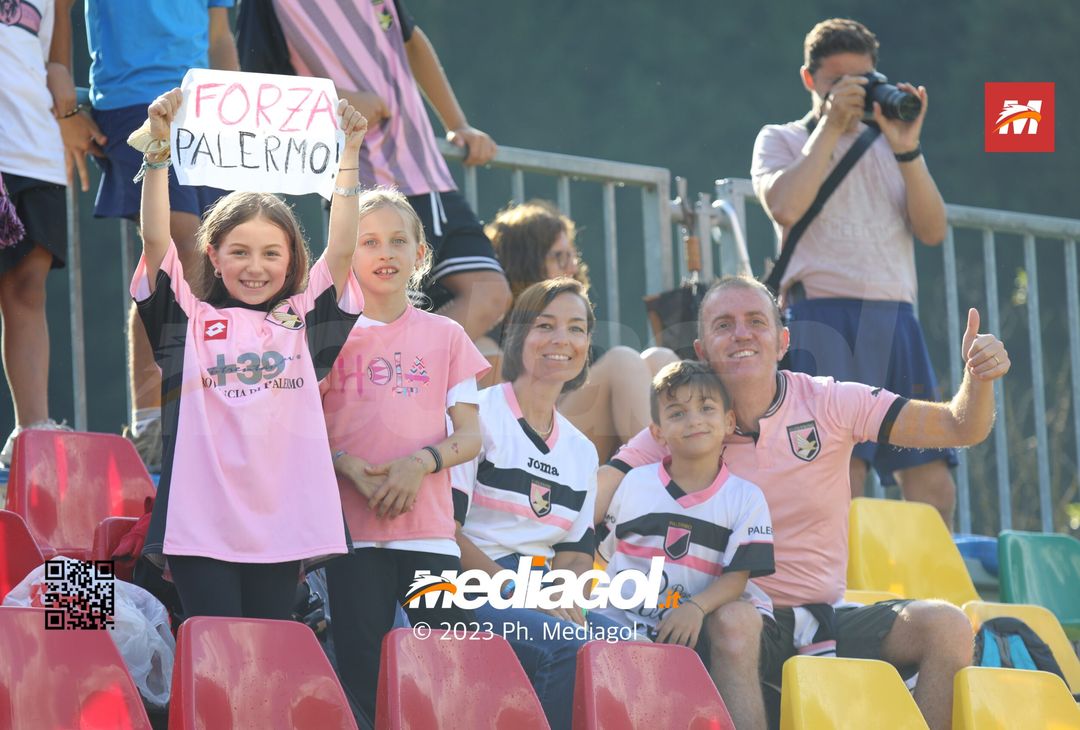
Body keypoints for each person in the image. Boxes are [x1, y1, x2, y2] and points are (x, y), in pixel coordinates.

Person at [595, 276, 1011, 730]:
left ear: (782, 340)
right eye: (724, 325)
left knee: (946, 626)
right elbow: (602, 490)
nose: (742, 334)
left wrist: (978, 379)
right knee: (734, 620)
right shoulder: (688, 425)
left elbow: (958, 427)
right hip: (729, 619)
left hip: (822, 617)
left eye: (757, 321)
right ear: (701, 349)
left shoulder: (831, 401)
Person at [131, 88, 368, 620]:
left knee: (266, 659)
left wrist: (348, 151)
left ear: (292, 261)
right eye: (239, 251)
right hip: (200, 525)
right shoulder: (187, 321)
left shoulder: (305, 321)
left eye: (270, 253)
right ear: (213, 255)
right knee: (216, 657)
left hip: (282, 525)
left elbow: (346, 248)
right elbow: (153, 241)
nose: (254, 266)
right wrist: (157, 153)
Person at [750, 18, 957, 525]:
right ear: (809, 80)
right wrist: (830, 126)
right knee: (843, 469)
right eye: (838, 82)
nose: (854, 94)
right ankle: (839, 594)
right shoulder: (783, 138)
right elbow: (785, 205)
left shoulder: (890, 144)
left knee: (931, 476)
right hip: (822, 314)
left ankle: (934, 596)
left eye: (862, 81)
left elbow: (933, 230)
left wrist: (907, 146)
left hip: (896, 318)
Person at [320, 189, 490, 721]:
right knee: (364, 674)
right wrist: (346, 463)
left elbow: (470, 438)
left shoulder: (447, 335)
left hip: (431, 537)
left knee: (447, 670)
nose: (385, 252)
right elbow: (299, 434)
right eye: (369, 241)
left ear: (421, 254)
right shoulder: (324, 335)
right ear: (349, 252)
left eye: (399, 240)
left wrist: (420, 464)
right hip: (353, 537)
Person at [266, 0, 512, 342]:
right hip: (365, 185)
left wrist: (458, 123)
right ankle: (390, 379)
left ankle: (407, 376)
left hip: (427, 174)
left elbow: (410, 38)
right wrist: (339, 100)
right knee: (382, 310)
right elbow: (258, 79)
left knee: (489, 294)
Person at [77, 0, 240, 471]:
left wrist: (237, 117)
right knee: (175, 248)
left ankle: (201, 410)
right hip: (136, 102)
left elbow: (219, 35)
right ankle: (152, 423)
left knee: (217, 255)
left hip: (207, 110)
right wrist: (66, 101)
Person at [453, 277, 609, 730]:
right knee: (567, 646)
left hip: (539, 591)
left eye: (576, 328)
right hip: (473, 587)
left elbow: (577, 554)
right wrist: (516, 590)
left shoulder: (581, 451)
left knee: (629, 643)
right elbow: (447, 531)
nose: (562, 340)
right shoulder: (476, 416)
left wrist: (561, 593)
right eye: (547, 325)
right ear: (520, 335)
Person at [593, 359, 775, 727]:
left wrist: (695, 608)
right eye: (677, 413)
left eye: (706, 409)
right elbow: (606, 558)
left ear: (728, 422)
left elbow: (738, 577)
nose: (694, 420)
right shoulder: (635, 484)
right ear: (658, 433)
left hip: (693, 623)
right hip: (621, 625)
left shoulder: (745, 498)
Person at [482, 200, 678, 460]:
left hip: (580, 440)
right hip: (531, 453)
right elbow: (502, 422)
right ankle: (674, 479)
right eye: (559, 257)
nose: (572, 267)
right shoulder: (490, 334)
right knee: (622, 361)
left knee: (660, 359)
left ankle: (687, 471)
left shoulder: (571, 324)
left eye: (573, 255)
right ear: (525, 262)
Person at [0, 0, 95, 466]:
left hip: (30, 145)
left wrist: (61, 73)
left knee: (28, 287)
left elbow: (55, 58)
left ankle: (31, 431)